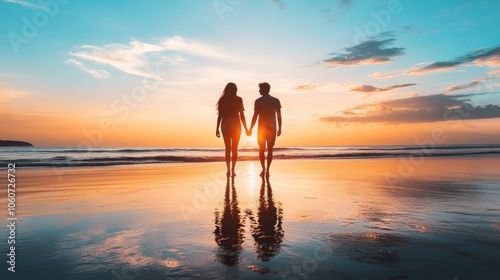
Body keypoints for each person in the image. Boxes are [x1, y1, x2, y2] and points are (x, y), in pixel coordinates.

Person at [247, 82, 282, 177]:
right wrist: (279, 128)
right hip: (272, 129)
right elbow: (278, 116)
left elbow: (255, 116)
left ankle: (263, 169)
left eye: (260, 89)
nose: (259, 91)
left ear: (263, 90)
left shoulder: (258, 101)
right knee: (270, 149)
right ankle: (267, 170)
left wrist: (250, 129)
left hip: (262, 129)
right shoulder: (276, 100)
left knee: (261, 149)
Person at [216, 82, 248, 176]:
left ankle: (228, 170)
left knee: (227, 148)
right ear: (235, 90)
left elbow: (220, 116)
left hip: (225, 124)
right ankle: (233, 170)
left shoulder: (222, 100)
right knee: (234, 148)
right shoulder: (239, 100)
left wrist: (217, 128)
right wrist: (246, 128)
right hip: (236, 125)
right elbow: (242, 116)